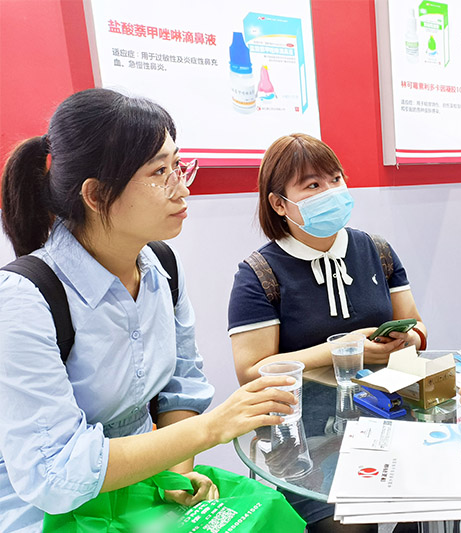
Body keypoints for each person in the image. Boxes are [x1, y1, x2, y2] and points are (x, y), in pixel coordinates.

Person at [0, 89, 299, 533]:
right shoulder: (23, 300)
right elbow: (58, 472)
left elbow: (180, 387)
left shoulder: (161, 267)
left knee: (275, 515)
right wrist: (213, 428)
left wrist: (175, 475)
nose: (182, 187)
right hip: (50, 514)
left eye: (178, 165)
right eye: (160, 172)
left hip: (144, 489)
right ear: (96, 195)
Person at [227, 133, 426, 532]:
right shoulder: (259, 274)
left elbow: (417, 327)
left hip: (389, 416)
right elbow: (251, 371)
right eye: (313, 185)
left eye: (335, 179)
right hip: (306, 438)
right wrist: (342, 350)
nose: (331, 192)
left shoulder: (376, 250)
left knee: (430, 504)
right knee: (347, 525)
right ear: (279, 203)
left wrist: (408, 339)